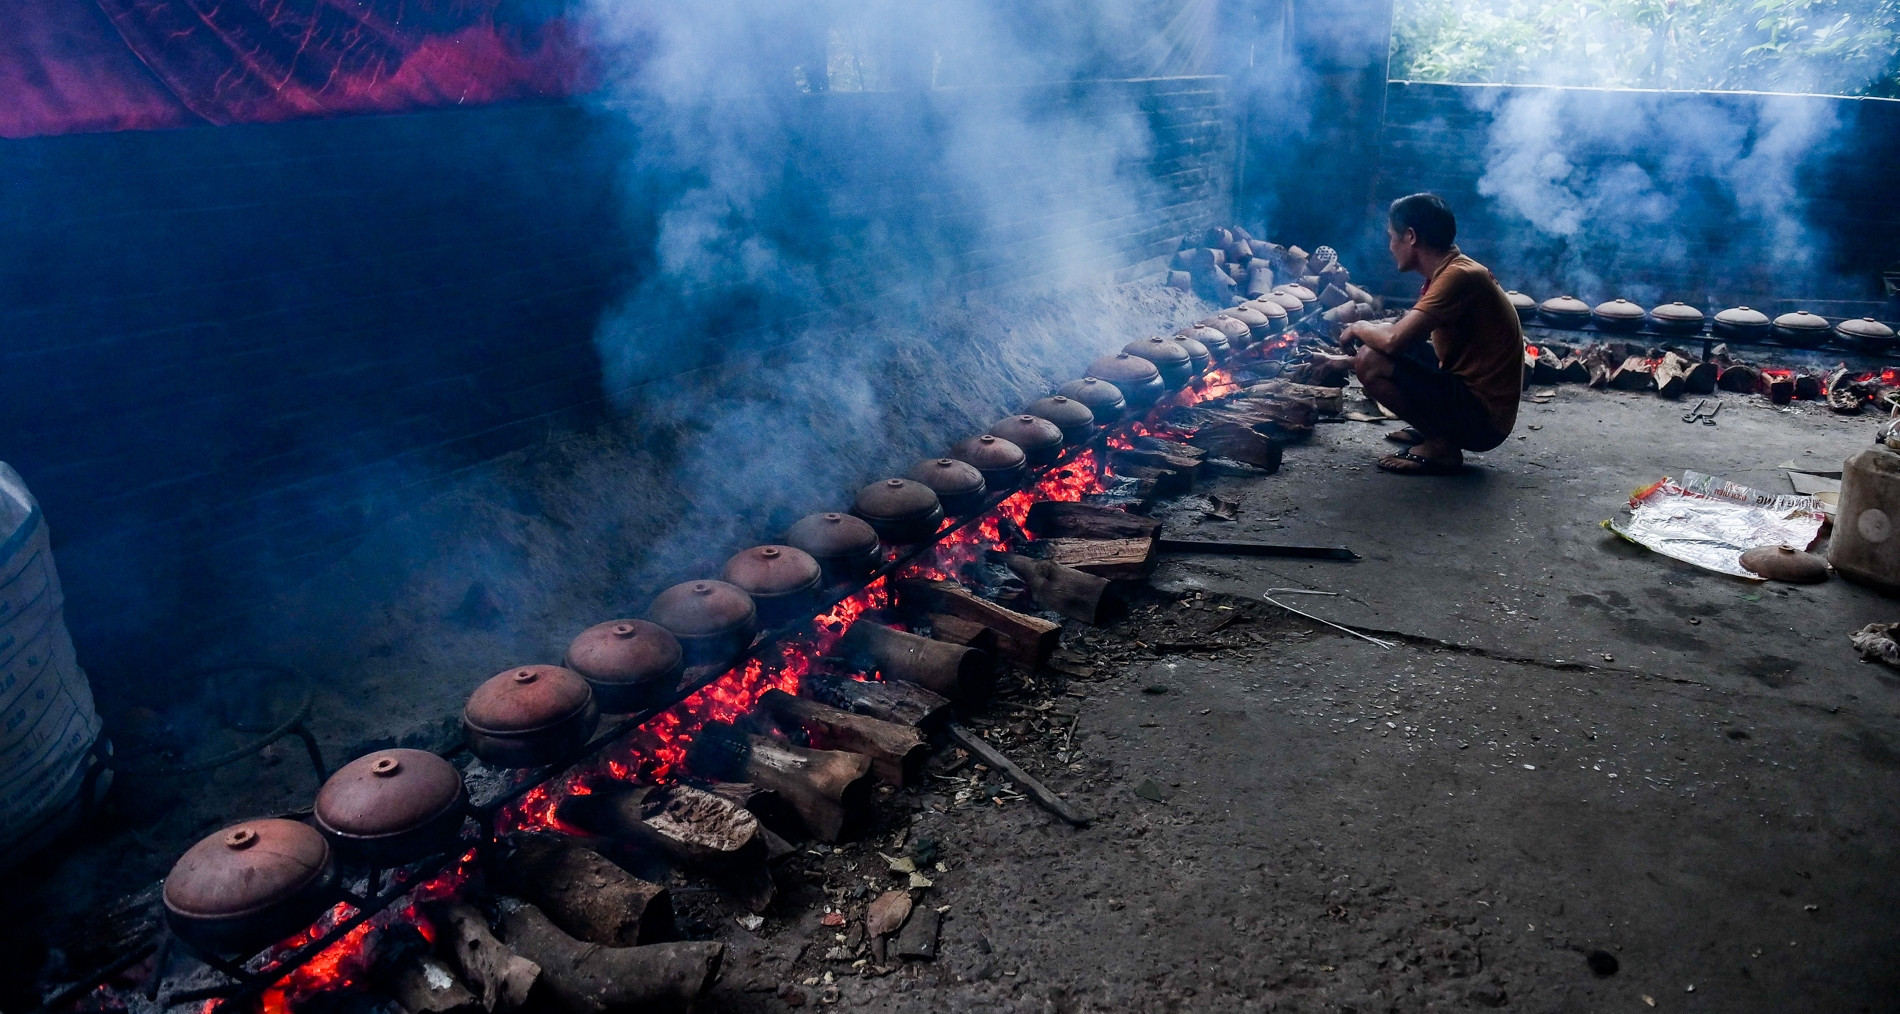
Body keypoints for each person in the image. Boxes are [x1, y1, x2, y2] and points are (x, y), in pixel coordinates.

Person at [1339, 194, 1523, 475]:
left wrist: (1357, 327)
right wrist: (1335, 360)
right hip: (1471, 400)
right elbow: (1403, 331)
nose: (1390, 247)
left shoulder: (1457, 277)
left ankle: (1441, 446)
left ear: (1411, 236)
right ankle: (1433, 431)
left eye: (1392, 237)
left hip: (1484, 422)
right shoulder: (1452, 269)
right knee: (1384, 350)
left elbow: (1392, 341)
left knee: (1370, 360)